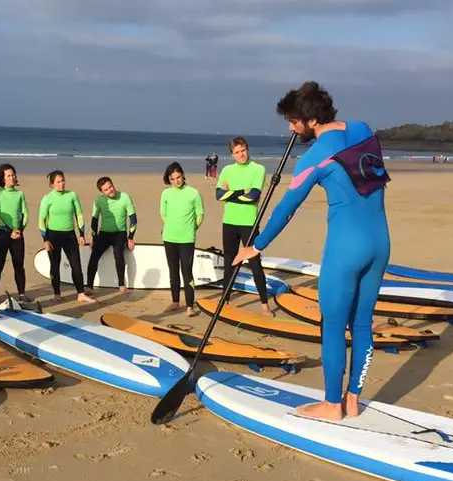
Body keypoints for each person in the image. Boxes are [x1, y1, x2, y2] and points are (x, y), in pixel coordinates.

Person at [233, 81, 392, 422]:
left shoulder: (315, 155)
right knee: (362, 323)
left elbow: (286, 208)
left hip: (346, 249)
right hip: (380, 242)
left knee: (332, 325)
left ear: (309, 119)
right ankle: (353, 401)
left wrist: (255, 247)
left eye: (293, 121)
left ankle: (332, 405)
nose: (291, 128)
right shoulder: (364, 129)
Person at [216, 136, 273, 314]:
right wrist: (242, 191)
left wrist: (231, 193)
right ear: (232, 154)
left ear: (248, 150)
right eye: (237, 152)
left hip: (249, 223)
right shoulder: (226, 170)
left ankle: (264, 304)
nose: (241, 155)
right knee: (230, 263)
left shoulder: (258, 169)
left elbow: (253, 196)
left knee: (255, 264)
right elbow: (218, 195)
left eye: (243, 151)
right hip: (229, 222)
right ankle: (225, 301)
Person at [38, 170, 95, 303]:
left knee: (76, 265)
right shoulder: (47, 199)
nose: (61, 184)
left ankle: (81, 293)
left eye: (63, 180)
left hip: (70, 235)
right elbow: (41, 220)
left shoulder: (72, 195)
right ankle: (57, 293)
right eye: (58, 182)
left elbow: (79, 215)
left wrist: (81, 234)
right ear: (52, 184)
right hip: (53, 236)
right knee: (55, 265)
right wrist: (45, 239)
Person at [160, 161, 204, 316]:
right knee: (173, 271)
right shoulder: (166, 194)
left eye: (178, 177)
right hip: (169, 237)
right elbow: (163, 214)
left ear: (183, 175)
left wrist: (192, 228)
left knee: (186, 271)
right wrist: (171, 226)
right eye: (172, 179)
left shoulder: (193, 193)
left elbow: (200, 215)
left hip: (187, 239)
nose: (176, 181)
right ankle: (175, 301)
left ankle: (190, 305)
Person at [0, 163, 31, 305]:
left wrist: (20, 230)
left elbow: (25, 213)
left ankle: (22, 295)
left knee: (19, 266)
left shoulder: (20, 194)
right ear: (2, 178)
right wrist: (9, 231)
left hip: (18, 235)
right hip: (2, 234)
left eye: (13, 175)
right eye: (8, 176)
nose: (12, 178)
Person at [85, 176, 137, 293]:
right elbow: (94, 220)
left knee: (118, 254)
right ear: (102, 192)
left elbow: (133, 219)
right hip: (104, 234)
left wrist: (130, 238)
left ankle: (121, 284)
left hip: (120, 233)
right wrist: (94, 238)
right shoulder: (99, 201)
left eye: (111, 187)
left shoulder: (125, 197)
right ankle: (89, 286)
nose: (110, 190)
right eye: (106, 190)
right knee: (94, 257)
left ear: (113, 184)